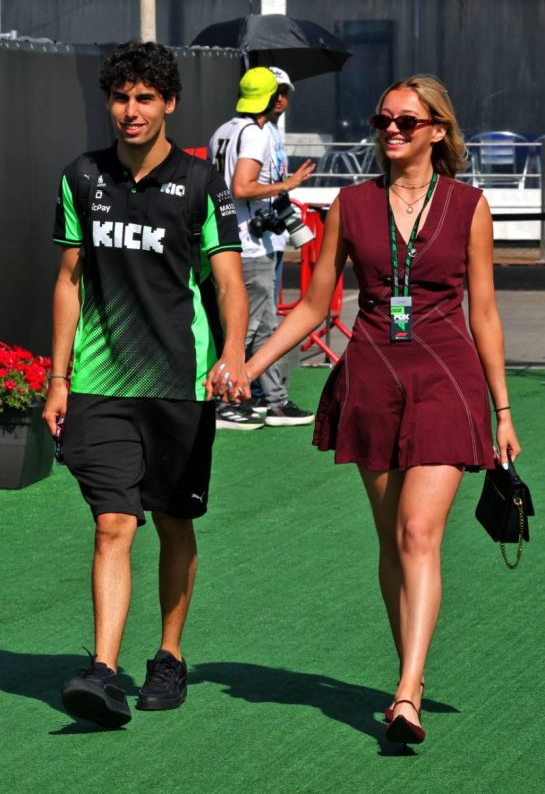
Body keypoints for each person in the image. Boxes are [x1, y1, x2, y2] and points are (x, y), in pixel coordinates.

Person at [245, 75, 521, 746]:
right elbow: (314, 305)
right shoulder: (351, 203)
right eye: (382, 119)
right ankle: (411, 677)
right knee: (390, 542)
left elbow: (482, 312)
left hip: (445, 380)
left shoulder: (468, 205)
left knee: (418, 534)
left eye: (406, 120)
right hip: (369, 378)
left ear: (435, 130)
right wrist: (250, 368)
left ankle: (404, 693)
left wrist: (503, 410)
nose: (390, 129)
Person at [43, 40, 249, 729]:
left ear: (168, 104)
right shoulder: (81, 177)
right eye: (120, 98)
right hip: (102, 385)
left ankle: (167, 654)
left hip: (180, 385)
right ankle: (102, 670)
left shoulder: (200, 184)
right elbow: (69, 281)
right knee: (112, 524)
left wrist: (233, 355)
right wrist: (59, 377)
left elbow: (226, 281)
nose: (130, 112)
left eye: (144, 99)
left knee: (173, 522)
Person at [208, 67, 316, 430]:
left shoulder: (224, 130)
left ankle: (273, 400)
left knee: (263, 325)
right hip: (248, 246)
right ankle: (224, 401)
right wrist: (290, 182)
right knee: (248, 328)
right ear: (271, 99)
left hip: (231, 239)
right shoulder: (255, 133)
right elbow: (242, 187)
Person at [266, 67, 294, 306]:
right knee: (259, 319)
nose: (280, 98)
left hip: (276, 231)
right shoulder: (257, 131)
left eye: (284, 92)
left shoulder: (273, 131)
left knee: (269, 313)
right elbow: (241, 186)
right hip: (257, 239)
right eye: (275, 92)